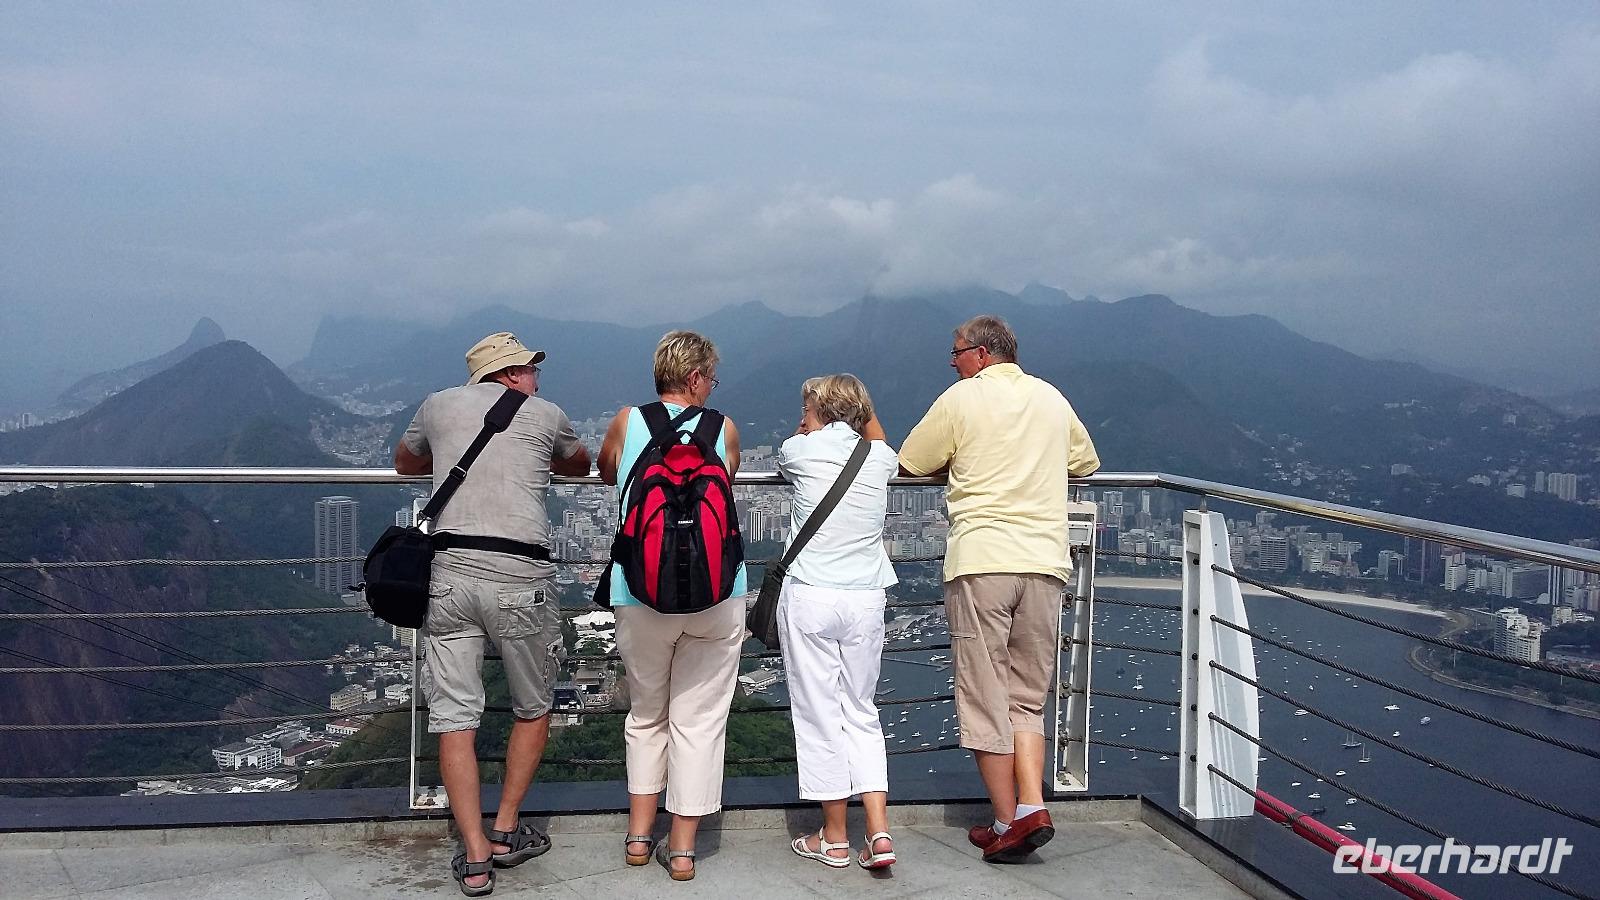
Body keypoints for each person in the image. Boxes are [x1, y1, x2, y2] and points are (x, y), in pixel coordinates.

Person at [395, 331, 592, 896]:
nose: (536, 380)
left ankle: (475, 854)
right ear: (507, 375)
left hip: (449, 576)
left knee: (455, 717)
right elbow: (579, 465)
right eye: (530, 370)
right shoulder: (546, 414)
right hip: (520, 577)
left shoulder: (437, 404)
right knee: (533, 706)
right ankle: (505, 828)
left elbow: (405, 462)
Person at [898, 315, 1100, 863]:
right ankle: (1032, 805)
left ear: (982, 353)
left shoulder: (962, 399)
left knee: (984, 694)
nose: (953, 361)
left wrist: (960, 462)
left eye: (957, 351)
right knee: (1027, 698)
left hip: (983, 559)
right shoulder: (1050, 397)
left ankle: (1008, 819)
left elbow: (911, 460)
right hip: (1045, 561)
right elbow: (1085, 460)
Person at [597, 330, 745, 882]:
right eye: (712, 379)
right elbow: (724, 484)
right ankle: (682, 849)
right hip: (717, 593)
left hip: (639, 590)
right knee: (699, 720)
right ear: (696, 377)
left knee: (646, 714)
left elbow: (609, 472)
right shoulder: (722, 428)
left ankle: (639, 837)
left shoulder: (625, 422)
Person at [776, 374, 900, 871]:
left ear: (822, 411)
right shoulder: (881, 458)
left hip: (811, 595)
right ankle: (879, 832)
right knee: (862, 712)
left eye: (807, 409)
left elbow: (798, 442)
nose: (801, 418)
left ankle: (833, 837)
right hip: (865, 599)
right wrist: (860, 409)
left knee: (819, 715)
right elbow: (877, 437)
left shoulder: (798, 450)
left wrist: (811, 425)